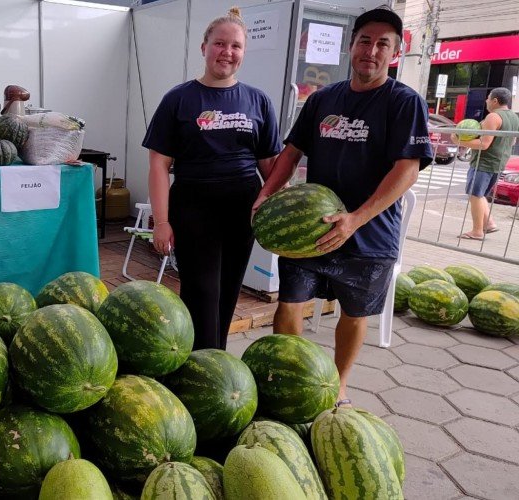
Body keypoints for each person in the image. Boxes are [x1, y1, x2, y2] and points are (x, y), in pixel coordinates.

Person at [252, 6, 433, 406]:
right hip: (311, 227)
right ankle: (291, 379)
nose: (371, 51)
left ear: (395, 53)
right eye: (364, 41)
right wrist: (267, 192)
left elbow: (407, 170)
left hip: (370, 234)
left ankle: (338, 384)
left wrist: (355, 219)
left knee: (354, 314)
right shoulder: (324, 99)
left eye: (382, 44)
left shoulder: (404, 103)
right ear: (351, 47)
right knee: (290, 305)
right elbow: (292, 151)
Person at [142, 7, 282, 350]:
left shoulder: (258, 101)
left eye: (235, 46)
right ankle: (201, 365)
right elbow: (159, 165)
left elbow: (270, 166)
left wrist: (283, 208)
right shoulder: (179, 98)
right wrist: (161, 221)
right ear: (204, 47)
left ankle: (215, 362)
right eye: (220, 44)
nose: (227, 52)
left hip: (242, 207)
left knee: (229, 288)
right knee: (201, 290)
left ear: (243, 53)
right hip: (193, 206)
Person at [453, 87, 519, 240]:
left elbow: (484, 143)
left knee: (475, 195)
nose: (486, 100)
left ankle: (477, 231)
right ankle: (489, 223)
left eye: (488, 98)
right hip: (498, 161)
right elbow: (513, 141)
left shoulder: (493, 117)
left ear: (495, 100)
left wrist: (459, 140)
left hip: (484, 162)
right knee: (479, 194)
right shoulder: (514, 117)